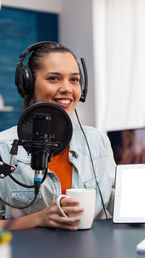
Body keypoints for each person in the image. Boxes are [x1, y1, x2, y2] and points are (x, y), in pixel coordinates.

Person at [0, 41, 115, 230]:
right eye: (54, 78)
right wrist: (37, 219)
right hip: (30, 257)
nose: (67, 89)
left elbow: (116, 199)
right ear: (28, 84)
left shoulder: (97, 141)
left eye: (74, 79)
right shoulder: (3, 147)